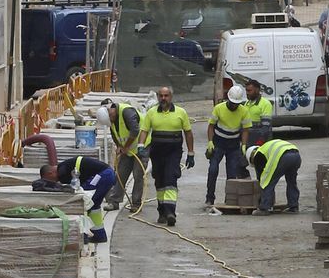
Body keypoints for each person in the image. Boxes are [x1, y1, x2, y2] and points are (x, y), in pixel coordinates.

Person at [37, 148, 120, 243]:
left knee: (83, 202)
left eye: (49, 179)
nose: (53, 181)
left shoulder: (62, 172)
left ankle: (82, 235)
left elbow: (72, 189)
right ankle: (99, 235)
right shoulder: (64, 167)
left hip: (103, 175)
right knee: (94, 206)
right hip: (106, 174)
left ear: (50, 173)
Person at [143, 85, 195, 228]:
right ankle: (162, 212)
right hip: (157, 152)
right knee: (159, 182)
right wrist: (141, 146)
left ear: (171, 97)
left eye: (166, 96)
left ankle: (170, 212)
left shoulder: (181, 112)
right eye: (161, 96)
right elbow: (144, 130)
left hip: (173, 152)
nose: (163, 98)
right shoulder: (151, 113)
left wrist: (191, 153)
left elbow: (188, 133)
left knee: (170, 179)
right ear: (158, 97)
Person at [206, 82, 249, 209]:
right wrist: (210, 141)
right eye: (232, 102)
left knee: (232, 174)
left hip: (233, 145)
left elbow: (246, 129)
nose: (234, 105)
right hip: (219, 142)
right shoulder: (219, 108)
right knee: (213, 170)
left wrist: (244, 145)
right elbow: (211, 126)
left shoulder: (244, 111)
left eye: (237, 103)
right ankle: (209, 198)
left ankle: (229, 200)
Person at [106, 99, 147, 213]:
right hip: (127, 149)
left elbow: (135, 130)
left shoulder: (127, 112)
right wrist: (119, 146)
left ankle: (136, 203)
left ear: (111, 113)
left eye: (110, 119)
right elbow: (115, 134)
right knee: (121, 172)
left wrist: (126, 146)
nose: (111, 122)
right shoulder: (111, 119)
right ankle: (114, 201)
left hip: (141, 146)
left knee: (138, 174)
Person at [249, 136, 302, 214]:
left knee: (267, 181)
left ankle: (264, 208)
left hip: (283, 157)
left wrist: (261, 195)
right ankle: (293, 207)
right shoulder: (266, 147)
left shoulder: (258, 154)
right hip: (296, 155)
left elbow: (262, 177)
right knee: (291, 182)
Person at [241, 75, 274, 147]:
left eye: (249, 90)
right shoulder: (247, 104)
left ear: (257, 90)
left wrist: (259, 142)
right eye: (246, 90)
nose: (247, 93)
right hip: (248, 141)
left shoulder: (265, 104)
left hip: (261, 142)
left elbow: (265, 128)